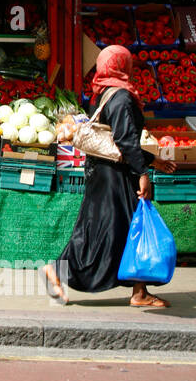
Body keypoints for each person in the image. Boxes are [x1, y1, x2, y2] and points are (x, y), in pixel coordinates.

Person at [43, 45, 176, 307]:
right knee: (113, 228)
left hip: (102, 171)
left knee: (118, 227)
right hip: (114, 175)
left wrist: (152, 160)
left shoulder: (103, 93)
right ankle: (58, 271)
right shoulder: (123, 97)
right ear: (124, 67)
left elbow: (114, 140)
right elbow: (124, 141)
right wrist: (143, 174)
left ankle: (139, 291)